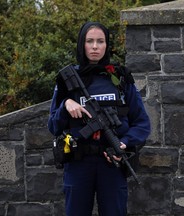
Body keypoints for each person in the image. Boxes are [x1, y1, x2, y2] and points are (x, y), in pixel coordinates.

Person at [47, 21, 151, 216]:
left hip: (112, 162)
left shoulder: (120, 79)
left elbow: (142, 124)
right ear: (81, 44)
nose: (95, 47)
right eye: (90, 41)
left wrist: (124, 143)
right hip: (78, 162)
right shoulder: (67, 81)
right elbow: (53, 126)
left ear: (107, 45)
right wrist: (65, 105)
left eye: (100, 41)